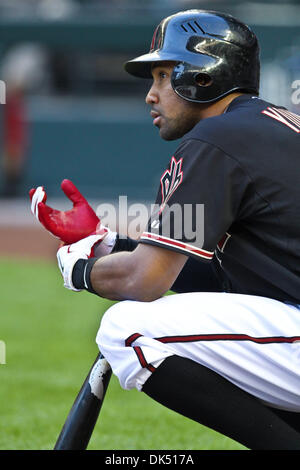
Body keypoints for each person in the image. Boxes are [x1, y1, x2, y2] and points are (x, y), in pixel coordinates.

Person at [30, 10, 300, 450]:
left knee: (126, 329)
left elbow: (144, 280)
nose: (151, 95)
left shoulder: (215, 139)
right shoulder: (265, 128)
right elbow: (214, 271)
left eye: (162, 75)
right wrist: (110, 243)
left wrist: (79, 271)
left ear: (202, 77)